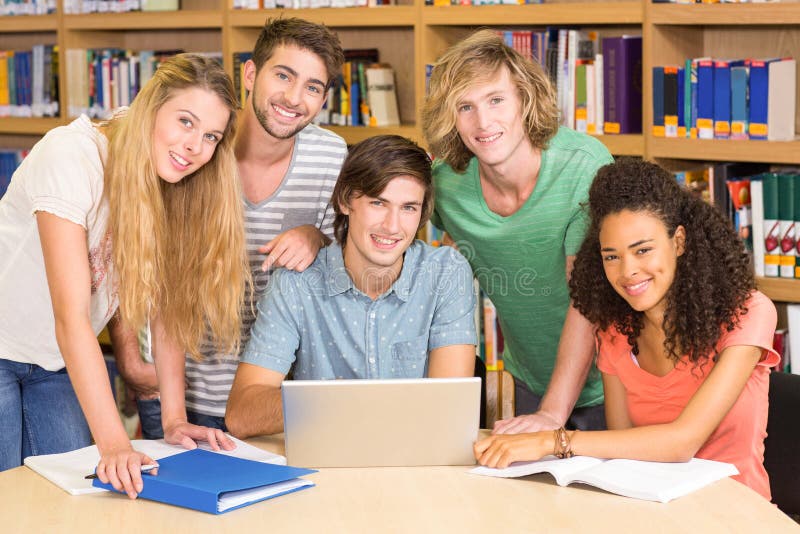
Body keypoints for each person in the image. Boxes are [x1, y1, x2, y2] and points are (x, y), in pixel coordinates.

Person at [0, 54, 248, 498]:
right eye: (185, 121)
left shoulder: (170, 181)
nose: (195, 147)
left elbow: (166, 306)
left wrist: (173, 419)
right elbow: (72, 318)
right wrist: (114, 444)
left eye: (210, 136)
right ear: (151, 107)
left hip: (52, 364)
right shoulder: (71, 155)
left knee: (74, 499)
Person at [474, 158, 778, 501]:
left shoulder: (747, 313)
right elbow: (624, 446)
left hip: (735, 513)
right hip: (652, 510)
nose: (628, 271)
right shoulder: (615, 329)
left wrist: (552, 441)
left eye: (643, 250)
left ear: (678, 241)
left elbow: (682, 442)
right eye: (612, 256)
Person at [110, 17, 349, 438]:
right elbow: (130, 249)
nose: (294, 98)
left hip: (272, 399)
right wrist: (130, 359)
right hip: (177, 392)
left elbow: (344, 273)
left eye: (313, 87)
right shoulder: (194, 146)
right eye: (283, 75)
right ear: (251, 74)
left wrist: (317, 236)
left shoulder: (331, 156)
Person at [421, 30, 613, 434]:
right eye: (465, 107)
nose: (483, 122)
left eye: (496, 100)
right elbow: (428, 248)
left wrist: (552, 415)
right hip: (527, 380)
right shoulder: (446, 184)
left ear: (524, 99)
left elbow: (587, 300)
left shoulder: (582, 165)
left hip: (612, 385)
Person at [225, 135, 478, 438]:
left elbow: (448, 412)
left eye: (408, 208)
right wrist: (337, 403)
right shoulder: (296, 282)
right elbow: (241, 413)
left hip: (416, 467)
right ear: (345, 201)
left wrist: (345, 404)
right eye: (377, 203)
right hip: (326, 470)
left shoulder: (445, 273)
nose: (392, 226)